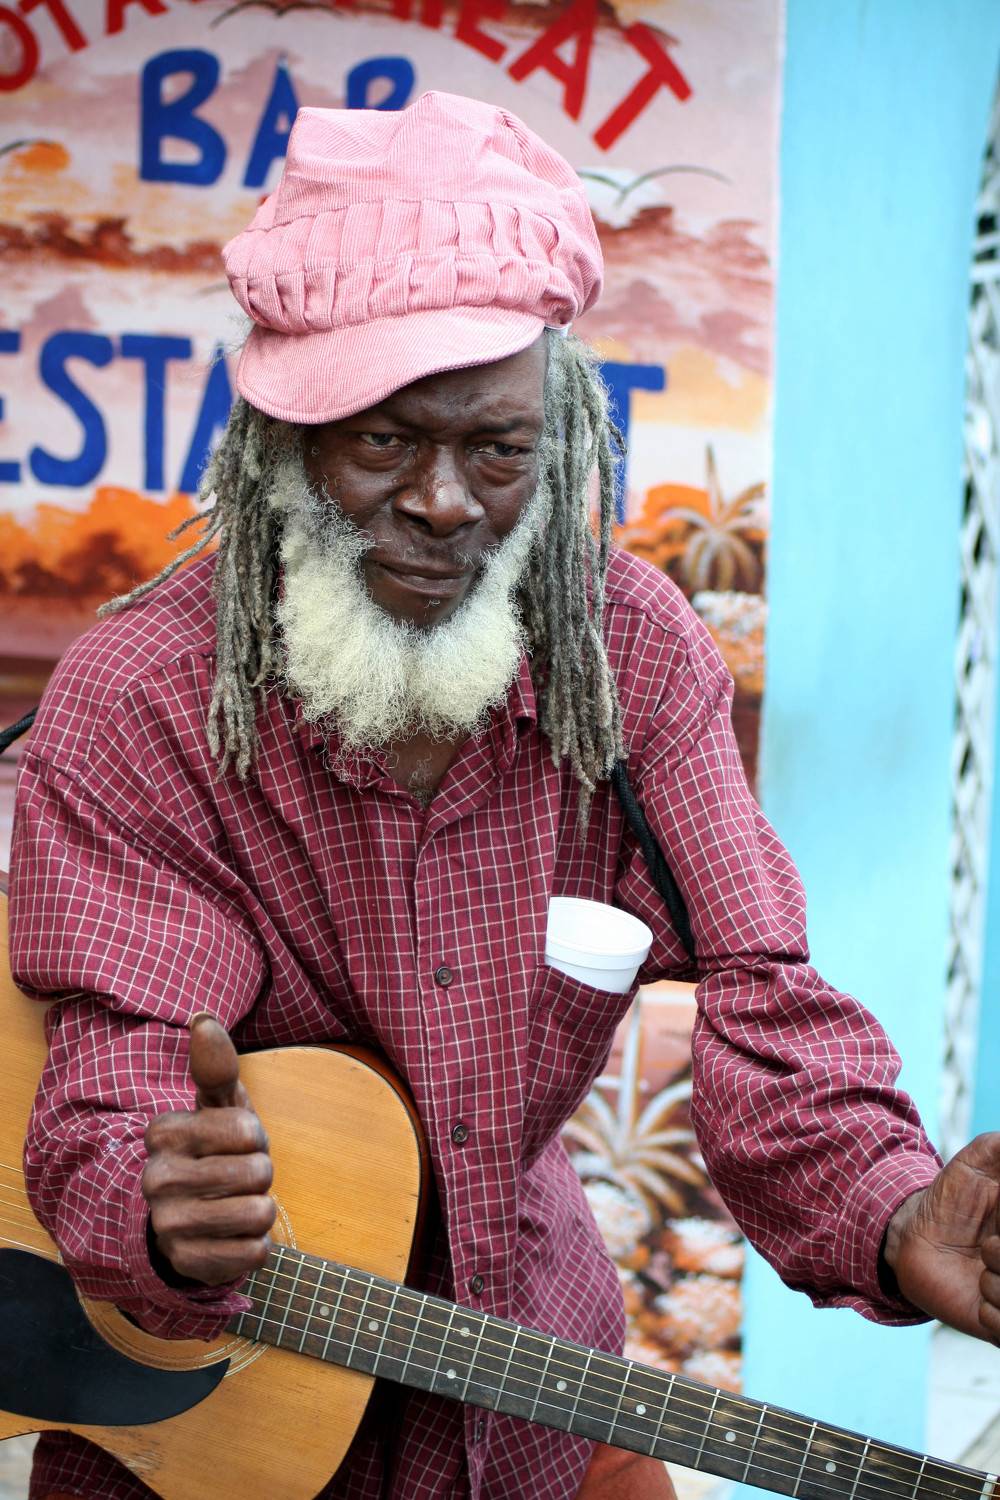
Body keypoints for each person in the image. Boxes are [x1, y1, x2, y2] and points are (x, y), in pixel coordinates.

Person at [8, 91, 1000, 1500]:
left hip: (533, 1399)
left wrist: (896, 1216)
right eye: (383, 442)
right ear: (281, 442)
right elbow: (116, 1085)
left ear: (562, 438)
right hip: (212, 1440)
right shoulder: (144, 703)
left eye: (498, 448)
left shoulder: (630, 655)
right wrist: (162, 1214)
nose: (445, 502)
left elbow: (766, 1003)